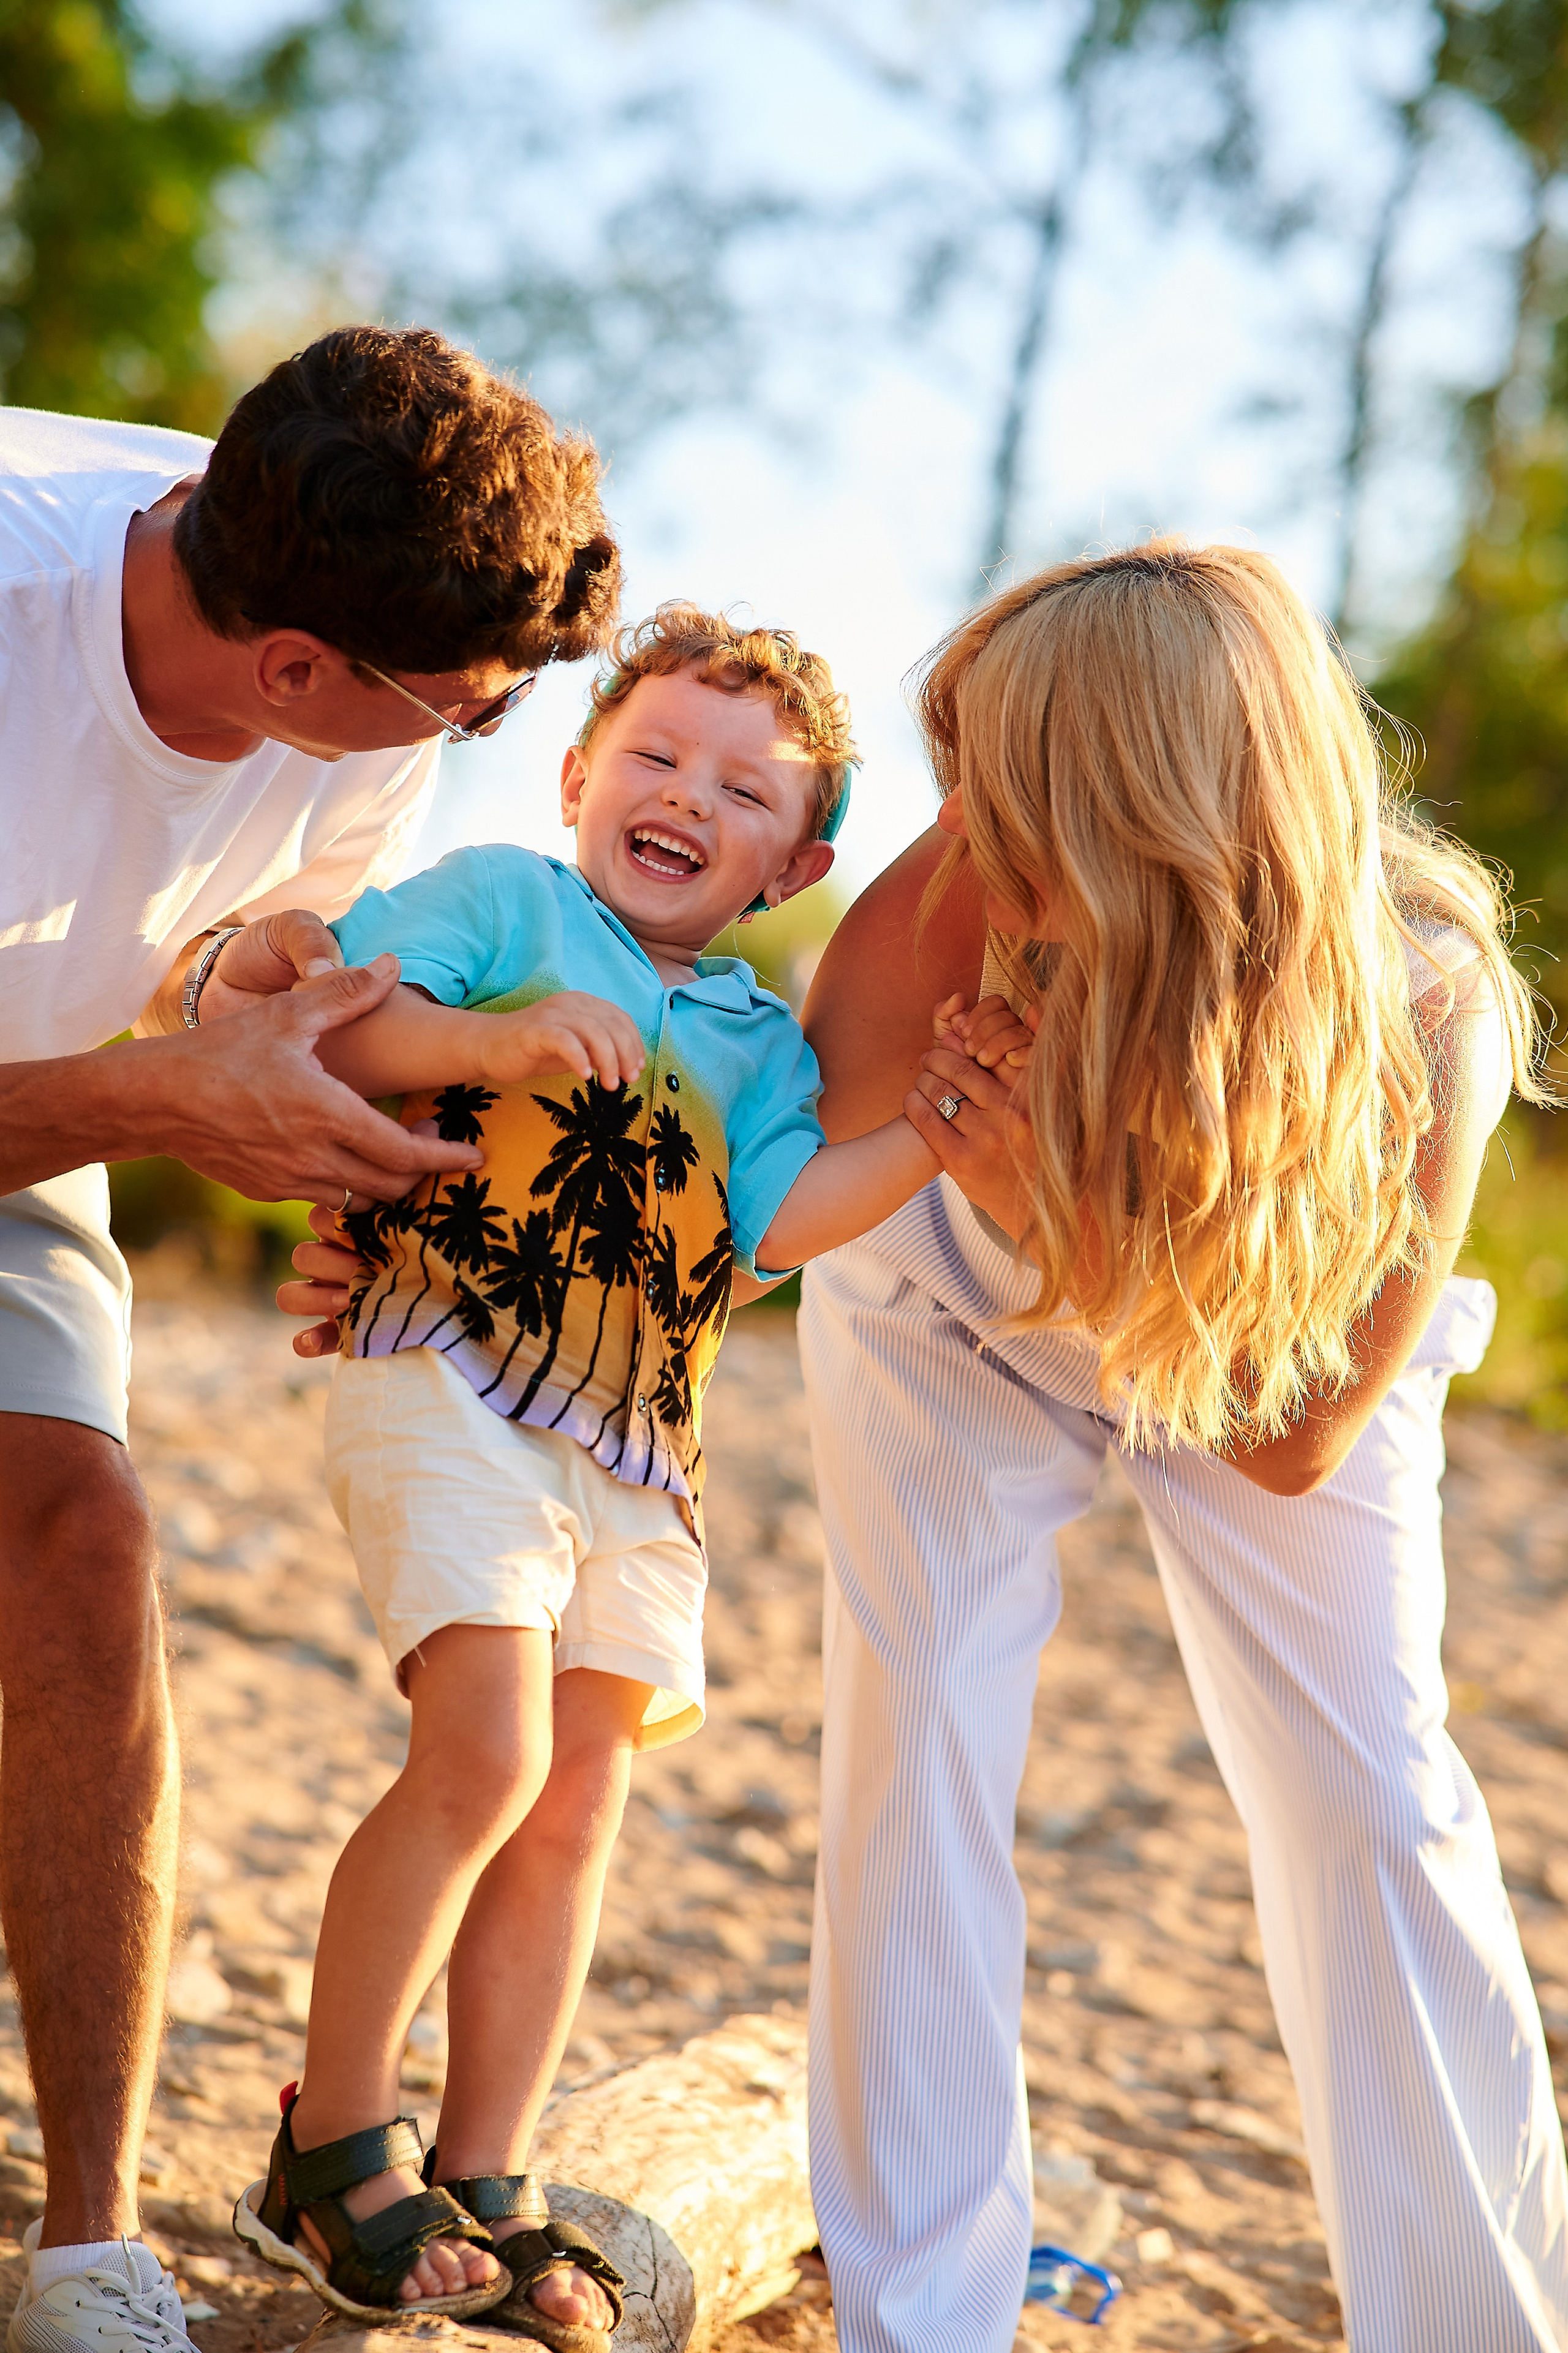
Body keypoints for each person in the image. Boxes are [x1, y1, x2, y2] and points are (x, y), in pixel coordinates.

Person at [796, 543, 1568, 2353]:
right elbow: (793, 1188)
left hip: (1249, 1342)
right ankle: (923, 2322)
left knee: (1369, 1789)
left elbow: (1299, 1445)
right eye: (965, 768)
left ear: (1149, 790)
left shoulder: (1424, 1003)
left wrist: (1071, 1213)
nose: (968, 824)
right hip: (947, 1299)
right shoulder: (949, 898)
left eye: (1012, 780)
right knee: (917, 1747)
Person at [235, 608, 989, 2346]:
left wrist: (936, 1131)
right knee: (483, 1747)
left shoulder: (763, 1041)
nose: (681, 794)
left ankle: (490, 2172)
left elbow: (778, 1225)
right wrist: (492, 1045)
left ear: (795, 863)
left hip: (643, 1446)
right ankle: (333, 2134)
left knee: (576, 1802)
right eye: (650, 752)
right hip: (450, 1360)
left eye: (741, 788)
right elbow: (343, 1034)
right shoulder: (509, 903)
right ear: (577, 773)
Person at [0, 323, 620, 2353]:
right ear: (288, 677)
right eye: (464, 706)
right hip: (57, 1093)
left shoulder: (367, 628)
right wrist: (174, 1095)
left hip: (31, 1107)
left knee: (80, 1532)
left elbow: (210, 951)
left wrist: (253, 1016)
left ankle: (87, 2246)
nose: (491, 732)